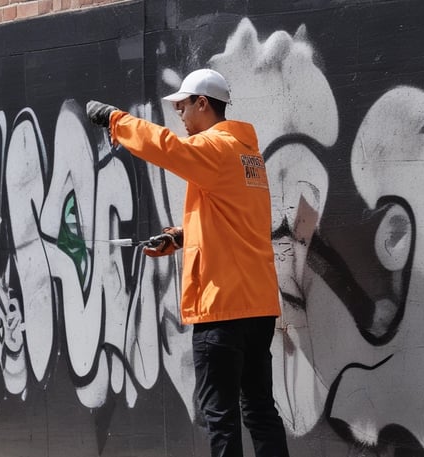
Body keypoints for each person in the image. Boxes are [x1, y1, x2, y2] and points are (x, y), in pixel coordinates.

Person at [86, 69, 289, 457]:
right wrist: (180, 237)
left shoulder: (214, 148)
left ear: (203, 103)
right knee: (261, 410)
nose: (179, 112)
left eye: (183, 104)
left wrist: (116, 120)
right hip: (257, 306)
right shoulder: (248, 155)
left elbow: (167, 148)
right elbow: (235, 221)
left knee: (220, 416)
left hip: (222, 308)